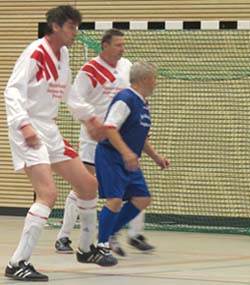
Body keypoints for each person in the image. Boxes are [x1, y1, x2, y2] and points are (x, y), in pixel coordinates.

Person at [4, 5, 117, 282]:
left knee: (89, 185)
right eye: (71, 27)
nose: (75, 33)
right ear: (55, 26)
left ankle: (87, 248)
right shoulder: (35, 52)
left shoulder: (63, 55)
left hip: (49, 128)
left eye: (77, 27)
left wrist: (90, 118)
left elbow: (69, 95)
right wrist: (24, 124)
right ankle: (17, 262)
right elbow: (12, 91)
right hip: (27, 127)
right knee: (48, 194)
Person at [55, 29, 154, 256]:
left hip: (122, 136)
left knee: (133, 187)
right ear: (105, 46)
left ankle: (131, 234)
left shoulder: (126, 66)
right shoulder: (89, 70)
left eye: (123, 44)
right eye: (118, 45)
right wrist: (92, 121)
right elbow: (75, 99)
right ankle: (64, 235)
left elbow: (136, 96)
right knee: (85, 185)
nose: (122, 49)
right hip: (95, 137)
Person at [95, 61, 169, 256]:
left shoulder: (143, 104)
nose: (156, 83)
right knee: (115, 200)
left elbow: (141, 138)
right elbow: (110, 128)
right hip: (111, 156)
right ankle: (101, 244)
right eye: (154, 79)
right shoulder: (125, 98)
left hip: (129, 160)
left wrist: (156, 157)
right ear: (144, 79)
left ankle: (111, 232)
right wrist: (126, 152)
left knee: (143, 198)